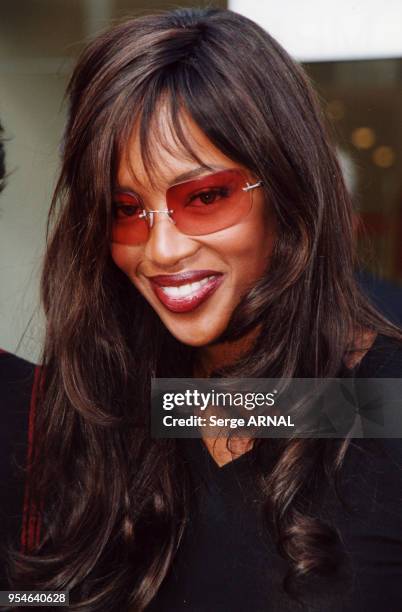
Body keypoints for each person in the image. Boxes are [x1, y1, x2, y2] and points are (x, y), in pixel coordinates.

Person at [1, 8, 402, 611]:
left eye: (206, 197)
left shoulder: (380, 402)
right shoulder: (109, 407)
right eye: (125, 209)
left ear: (288, 185)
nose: (163, 250)